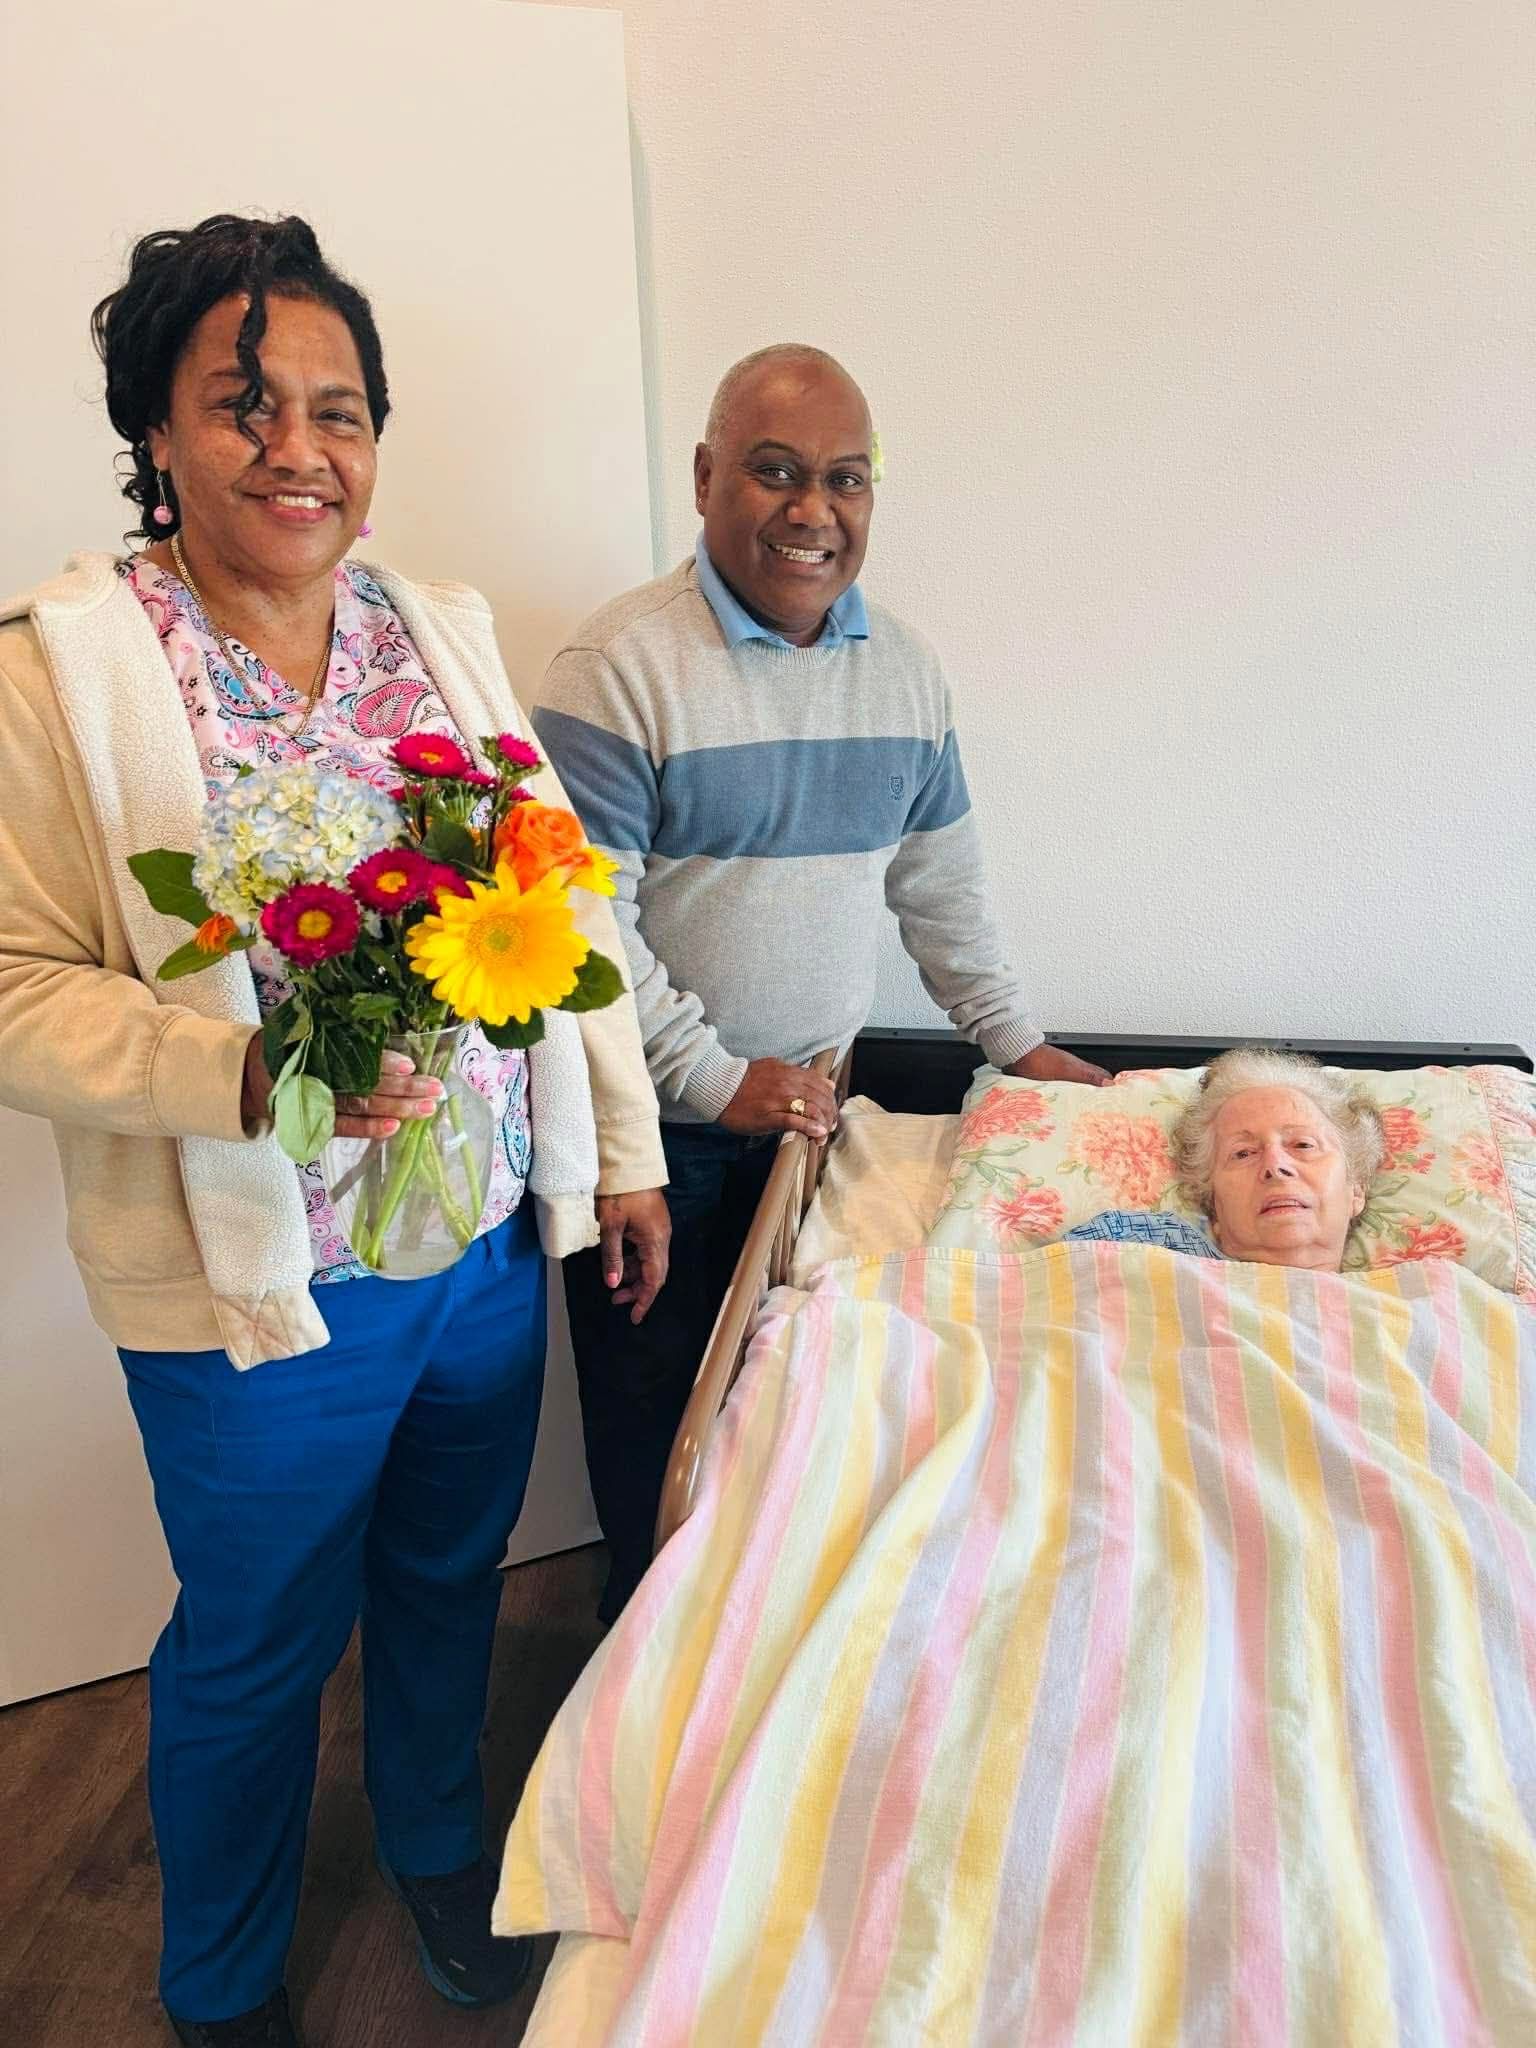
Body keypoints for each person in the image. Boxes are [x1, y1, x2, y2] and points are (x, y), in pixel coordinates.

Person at [0, 215, 670, 2048]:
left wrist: (617, 1149)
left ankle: (443, 1851)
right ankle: (218, 1984)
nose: (301, 448)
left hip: (465, 1254)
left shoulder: (433, 632)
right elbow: (12, 980)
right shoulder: (63, 670)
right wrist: (244, 1070)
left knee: (448, 1575)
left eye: (338, 409)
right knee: (256, 1643)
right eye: (244, 405)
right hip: (258, 1290)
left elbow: (564, 900)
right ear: (155, 429)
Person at [532, 341, 1107, 1620]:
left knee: (792, 1441)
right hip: (655, 1136)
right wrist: (716, 1078)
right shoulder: (616, 668)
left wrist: (1017, 1045)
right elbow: (576, 929)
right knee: (656, 1448)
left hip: (814, 1126)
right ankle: (651, 1702)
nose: (813, 510)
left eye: (846, 479)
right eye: (775, 471)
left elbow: (939, 887)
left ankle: (772, 1679)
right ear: (704, 477)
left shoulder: (905, 671)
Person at [1064, 1047, 1385, 1270]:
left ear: (1355, 1191)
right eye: (1243, 1153)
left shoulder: (1416, 1306)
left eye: (1302, 1145)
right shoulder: (1132, 1246)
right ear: (1213, 1204)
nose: (1275, 1166)